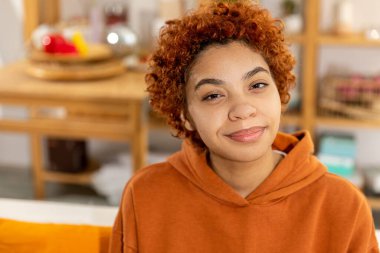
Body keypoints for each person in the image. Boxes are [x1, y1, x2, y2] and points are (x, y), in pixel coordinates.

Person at [109, 1, 379, 252]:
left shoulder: (344, 206)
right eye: (213, 95)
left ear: (280, 91)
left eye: (257, 85)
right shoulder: (146, 196)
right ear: (184, 116)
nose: (242, 109)